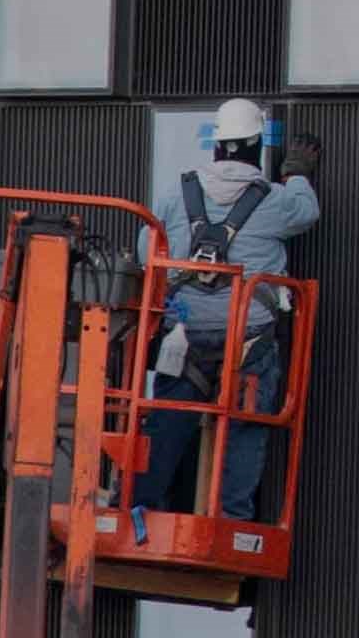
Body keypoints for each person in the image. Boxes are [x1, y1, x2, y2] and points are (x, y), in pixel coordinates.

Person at [131, 98, 321, 531]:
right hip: (247, 339)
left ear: (216, 146)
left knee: (166, 421)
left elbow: (147, 252)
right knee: (244, 424)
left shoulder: (176, 193)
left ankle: (140, 513)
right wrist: (296, 175)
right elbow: (307, 211)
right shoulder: (275, 200)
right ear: (257, 147)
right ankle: (232, 522)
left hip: (184, 333)